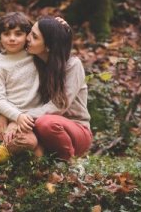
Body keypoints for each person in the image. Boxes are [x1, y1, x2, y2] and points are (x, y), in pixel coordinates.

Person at [14, 16, 92, 161]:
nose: (28, 38)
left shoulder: (73, 65)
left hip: (75, 130)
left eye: (35, 37)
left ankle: (69, 164)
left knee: (46, 123)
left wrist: (21, 116)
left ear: (49, 46)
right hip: (40, 127)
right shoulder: (34, 61)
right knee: (21, 135)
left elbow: (59, 106)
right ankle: (40, 167)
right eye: (30, 33)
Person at [0, 12, 41, 165]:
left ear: (28, 36)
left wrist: (63, 25)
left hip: (40, 115)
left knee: (39, 153)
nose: (12, 38)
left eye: (18, 34)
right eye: (6, 34)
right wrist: (16, 117)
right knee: (28, 142)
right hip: (15, 117)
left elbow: (57, 43)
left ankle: (6, 156)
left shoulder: (37, 57)